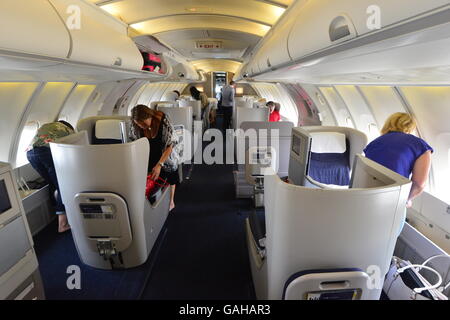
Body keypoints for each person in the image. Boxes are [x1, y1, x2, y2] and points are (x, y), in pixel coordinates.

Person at [363, 112, 433, 233]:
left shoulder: (374, 143)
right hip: (394, 201)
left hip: (367, 197)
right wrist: (407, 199)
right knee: (387, 238)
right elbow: (419, 183)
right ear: (411, 127)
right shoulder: (420, 145)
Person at [130, 105, 182, 211]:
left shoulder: (163, 121)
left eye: (143, 123)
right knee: (150, 174)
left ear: (150, 116)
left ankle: (171, 201)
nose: (140, 126)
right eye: (138, 124)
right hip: (148, 151)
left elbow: (170, 145)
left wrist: (159, 164)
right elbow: (133, 141)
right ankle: (152, 201)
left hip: (166, 151)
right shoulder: (135, 125)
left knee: (170, 173)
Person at [26, 120, 74, 233]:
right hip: (46, 152)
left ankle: (56, 215)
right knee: (62, 185)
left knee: (53, 183)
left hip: (30, 154)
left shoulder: (47, 125)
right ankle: (62, 224)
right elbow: (74, 150)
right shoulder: (69, 131)